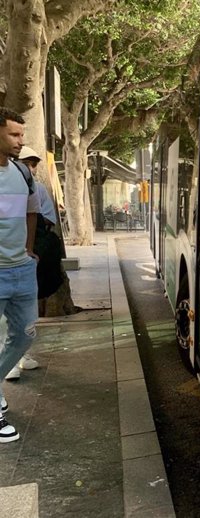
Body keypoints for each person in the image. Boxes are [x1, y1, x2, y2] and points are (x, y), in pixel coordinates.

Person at [0, 107, 40, 443]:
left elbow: (28, 213)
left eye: (21, 135)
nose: (20, 141)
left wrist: (28, 250)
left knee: (25, 335)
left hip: (21, 270)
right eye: (14, 134)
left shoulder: (21, 174)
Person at [4, 146, 59, 380]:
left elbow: (41, 218)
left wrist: (28, 250)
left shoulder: (34, 187)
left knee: (24, 323)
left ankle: (18, 358)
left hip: (24, 260)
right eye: (28, 162)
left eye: (35, 164)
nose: (32, 168)